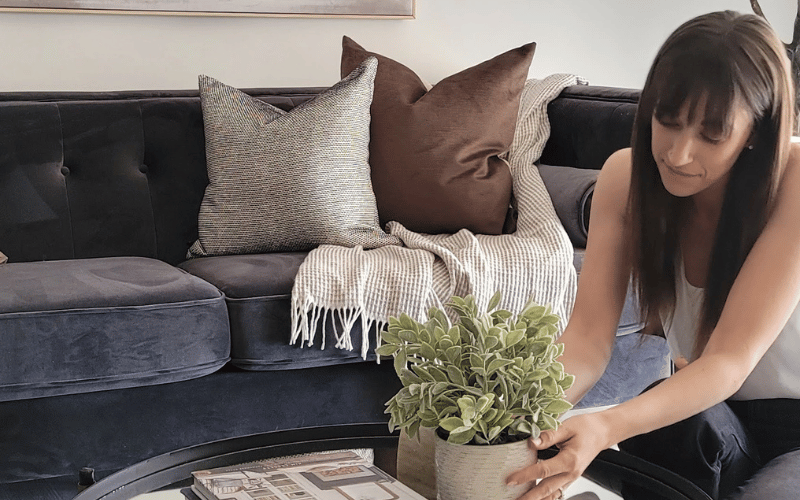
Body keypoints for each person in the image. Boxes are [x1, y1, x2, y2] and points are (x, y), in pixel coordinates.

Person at [506, 10, 799, 500]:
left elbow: (729, 360)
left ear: (756, 132)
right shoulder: (625, 178)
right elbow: (586, 341)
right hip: (717, 421)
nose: (678, 154)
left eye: (712, 133)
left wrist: (606, 427)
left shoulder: (793, 180)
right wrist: (515, 423)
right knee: (660, 423)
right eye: (667, 120)